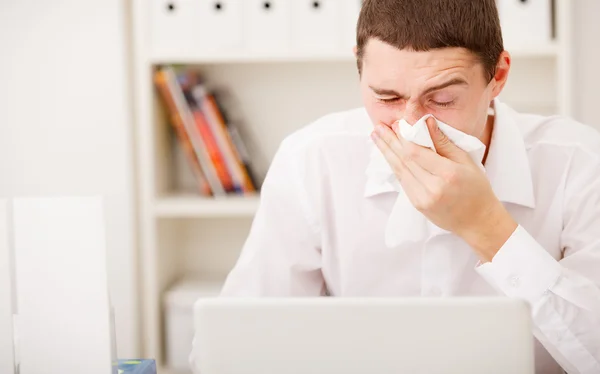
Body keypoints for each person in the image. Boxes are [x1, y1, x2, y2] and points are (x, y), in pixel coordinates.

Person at [203, 0, 600, 373]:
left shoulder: (577, 163)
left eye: (442, 99)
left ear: (497, 75)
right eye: (387, 97)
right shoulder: (313, 160)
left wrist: (487, 227)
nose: (412, 126)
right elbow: (233, 345)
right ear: (359, 69)